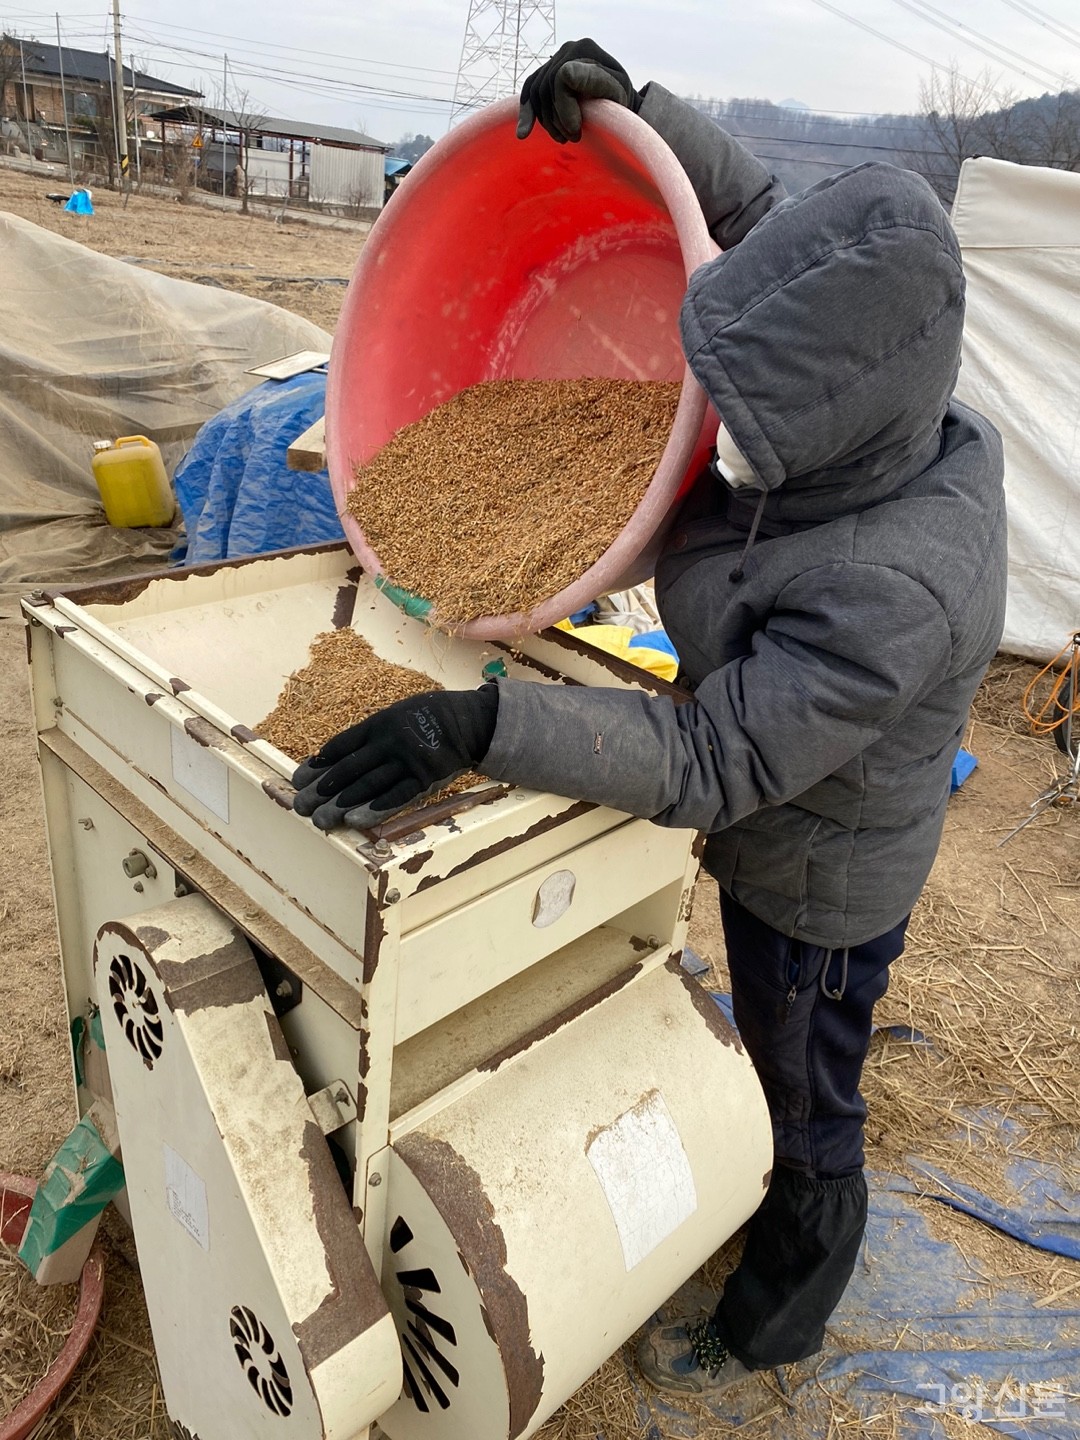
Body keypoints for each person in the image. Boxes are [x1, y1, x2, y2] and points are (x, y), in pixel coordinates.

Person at [292, 40, 1007, 1398]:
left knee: (807, 1084)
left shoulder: (892, 585)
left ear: (827, 424)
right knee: (775, 1040)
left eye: (744, 414)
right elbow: (762, 235)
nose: (702, 426)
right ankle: (771, 1216)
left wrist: (473, 729)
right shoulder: (884, 358)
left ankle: (781, 1305)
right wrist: (633, 110)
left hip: (820, 881)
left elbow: (715, 756)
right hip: (791, 822)